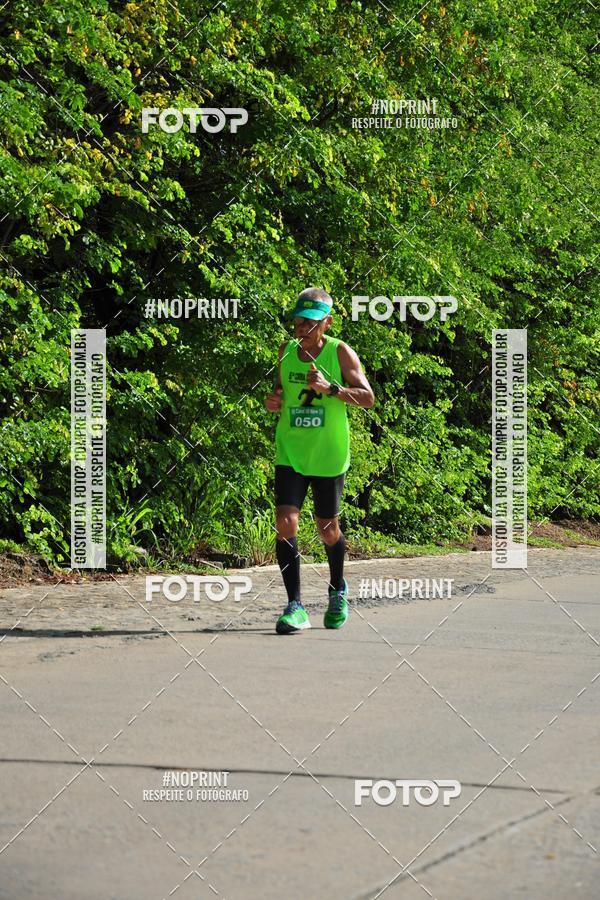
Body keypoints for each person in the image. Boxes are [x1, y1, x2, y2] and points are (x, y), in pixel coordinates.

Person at [264, 287, 375, 634]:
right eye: (299, 320)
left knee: (328, 530)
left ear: (327, 323)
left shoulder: (340, 353)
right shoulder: (286, 351)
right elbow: (280, 391)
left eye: (311, 323)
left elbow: (368, 397)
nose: (303, 328)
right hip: (292, 451)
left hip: (328, 455)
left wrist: (331, 389)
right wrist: (275, 401)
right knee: (286, 523)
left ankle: (337, 588)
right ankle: (294, 606)